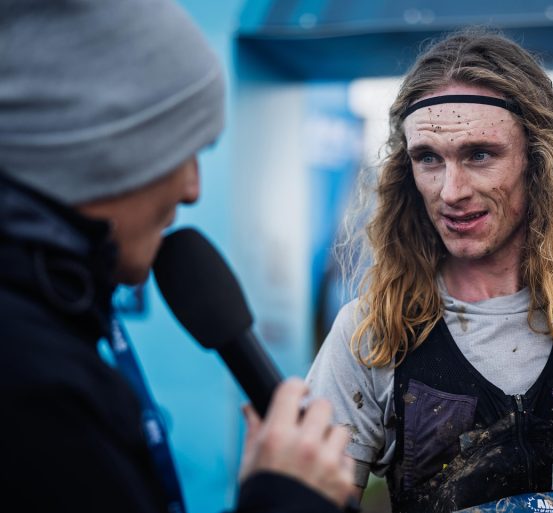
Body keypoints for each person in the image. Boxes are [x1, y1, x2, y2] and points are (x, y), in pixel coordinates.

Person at [307, 30, 553, 513]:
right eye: (428, 158)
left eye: (480, 154)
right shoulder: (373, 333)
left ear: (537, 160)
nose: (451, 191)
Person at [0, 1, 355, 512]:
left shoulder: (59, 316)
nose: (192, 190)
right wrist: (283, 500)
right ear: (101, 151)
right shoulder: (31, 384)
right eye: (179, 151)